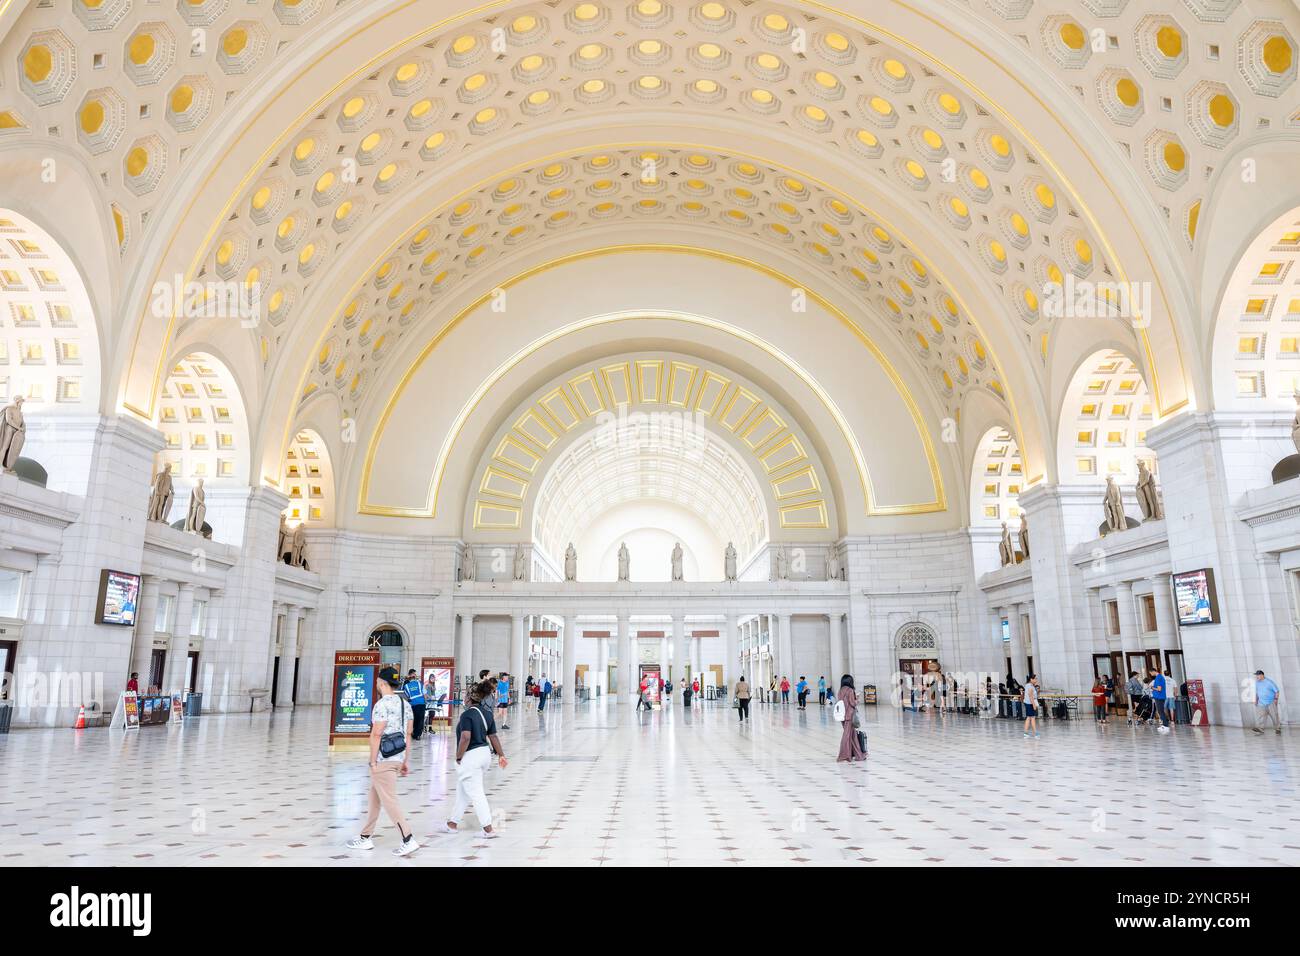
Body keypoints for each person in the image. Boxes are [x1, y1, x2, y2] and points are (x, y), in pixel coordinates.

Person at [347, 665, 419, 856]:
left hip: (383, 759)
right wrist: (405, 761)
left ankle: (408, 838)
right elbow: (409, 734)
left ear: (382, 683)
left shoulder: (381, 705)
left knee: (389, 801)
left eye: (378, 681)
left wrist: (372, 761)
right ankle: (365, 837)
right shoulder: (406, 704)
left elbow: (376, 734)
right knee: (375, 798)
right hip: (398, 757)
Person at [441, 680, 507, 838]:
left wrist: (458, 756)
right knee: (463, 790)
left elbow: (465, 737)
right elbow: (493, 737)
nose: (464, 698)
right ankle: (452, 823)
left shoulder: (467, 715)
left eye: (465, 696)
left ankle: (488, 828)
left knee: (476, 792)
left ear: (470, 698)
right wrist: (501, 755)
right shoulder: (487, 714)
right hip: (484, 754)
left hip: (471, 756)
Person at [835, 674, 865, 762]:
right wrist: (857, 699)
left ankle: (859, 755)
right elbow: (852, 703)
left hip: (842, 715)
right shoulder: (850, 690)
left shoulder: (840, 690)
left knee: (853, 736)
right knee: (847, 735)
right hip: (849, 715)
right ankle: (844, 756)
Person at [1252, 669, 1281, 735]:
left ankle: (1277, 728)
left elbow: (1277, 691)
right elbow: (1257, 692)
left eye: (1258, 675)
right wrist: (1256, 700)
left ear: (1262, 675)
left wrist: (1276, 699)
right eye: (1256, 675)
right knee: (1261, 716)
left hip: (1271, 702)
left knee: (1274, 716)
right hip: (1261, 703)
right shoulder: (1257, 682)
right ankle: (1260, 729)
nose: (1257, 677)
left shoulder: (1269, 682)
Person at [403, 668, 426, 740]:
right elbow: (425, 694)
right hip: (421, 703)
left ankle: (414, 733)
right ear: (411, 675)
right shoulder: (419, 683)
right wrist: (425, 701)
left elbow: (406, 696)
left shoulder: (406, 686)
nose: (415, 675)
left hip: (413, 704)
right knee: (420, 719)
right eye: (415, 674)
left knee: (414, 719)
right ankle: (418, 735)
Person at [1149, 666, 1171, 733]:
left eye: (1150, 673)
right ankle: (1165, 725)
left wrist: (1152, 688)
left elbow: (1159, 689)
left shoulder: (1158, 678)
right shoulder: (1160, 677)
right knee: (1161, 711)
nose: (1151, 675)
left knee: (1160, 711)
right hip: (1160, 696)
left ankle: (1165, 725)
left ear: (1153, 671)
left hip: (1159, 697)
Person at [1022, 673, 1040, 739]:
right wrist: (1034, 705)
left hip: (1028, 703)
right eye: (1035, 678)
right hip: (1030, 704)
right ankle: (1035, 733)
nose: (1036, 680)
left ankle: (1026, 733)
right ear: (1031, 679)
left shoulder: (1030, 685)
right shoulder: (1029, 686)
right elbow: (1031, 696)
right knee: (1032, 718)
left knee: (1029, 718)